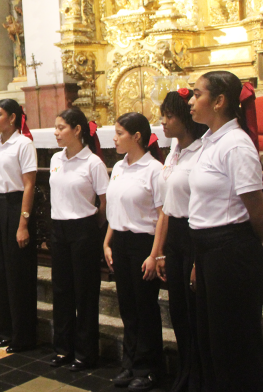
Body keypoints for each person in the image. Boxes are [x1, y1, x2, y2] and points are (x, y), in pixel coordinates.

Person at [188, 71, 263, 391]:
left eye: (197, 94)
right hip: (210, 250)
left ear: (219, 101)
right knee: (213, 343)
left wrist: (246, 247)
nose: (191, 101)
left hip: (230, 252)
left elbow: (259, 213)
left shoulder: (235, 145)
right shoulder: (210, 141)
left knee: (235, 345)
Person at [103, 112, 165, 392]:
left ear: (137, 136)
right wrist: (107, 242)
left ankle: (148, 368)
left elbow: (163, 215)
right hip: (120, 241)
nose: (114, 139)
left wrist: (155, 254)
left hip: (143, 243)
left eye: (119, 133)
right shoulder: (119, 167)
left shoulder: (154, 169)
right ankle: (129, 363)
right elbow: (115, 208)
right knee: (127, 306)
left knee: (145, 307)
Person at [47, 108, 110, 371]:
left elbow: (105, 202)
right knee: (61, 291)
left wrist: (92, 227)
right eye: (55, 127)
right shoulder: (56, 158)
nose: (56, 132)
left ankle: (85, 353)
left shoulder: (92, 162)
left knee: (84, 293)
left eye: (61, 127)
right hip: (58, 228)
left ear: (77, 130)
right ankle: (63, 349)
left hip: (84, 229)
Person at [155, 89, 208, 391]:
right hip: (174, 233)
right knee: (177, 309)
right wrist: (160, 251)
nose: (163, 121)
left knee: (194, 310)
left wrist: (198, 258)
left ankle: (198, 376)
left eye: (169, 116)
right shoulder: (173, 151)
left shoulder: (201, 152)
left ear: (186, 119)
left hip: (193, 232)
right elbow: (166, 206)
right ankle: (185, 373)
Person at [0, 99, 37, 352]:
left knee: (17, 273)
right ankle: (3, 330)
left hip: (16, 205)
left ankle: (23, 335)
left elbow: (29, 184)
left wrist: (23, 222)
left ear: (13, 117)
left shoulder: (23, 144)